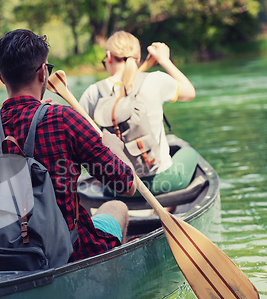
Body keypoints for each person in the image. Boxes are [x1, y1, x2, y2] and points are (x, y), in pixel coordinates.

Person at [0, 29, 136, 262]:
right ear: (43, 73)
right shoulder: (64, 119)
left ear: (0, 76)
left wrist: (40, 118)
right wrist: (115, 148)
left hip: (4, 251)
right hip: (68, 250)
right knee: (117, 207)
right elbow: (126, 184)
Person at [79, 31, 198, 196]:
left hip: (116, 188)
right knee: (189, 152)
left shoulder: (93, 92)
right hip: (162, 182)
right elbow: (190, 92)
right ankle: (167, 208)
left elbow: (82, 138)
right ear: (137, 58)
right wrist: (164, 60)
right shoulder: (155, 80)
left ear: (109, 56)